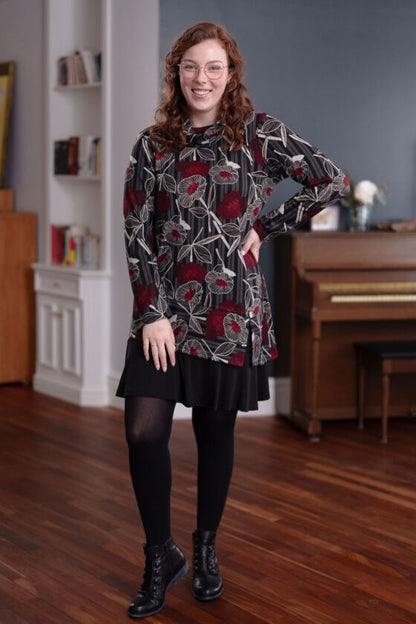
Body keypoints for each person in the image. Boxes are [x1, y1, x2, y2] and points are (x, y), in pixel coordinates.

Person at [117, 21, 349, 619]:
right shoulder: (151, 144)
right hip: (163, 312)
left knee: (215, 433)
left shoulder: (257, 134)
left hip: (228, 309)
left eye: (214, 67)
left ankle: (206, 547)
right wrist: (151, 312)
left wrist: (265, 227)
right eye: (191, 66)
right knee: (144, 431)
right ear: (177, 73)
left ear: (230, 74)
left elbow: (331, 179)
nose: (202, 78)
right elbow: (137, 232)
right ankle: (159, 555)